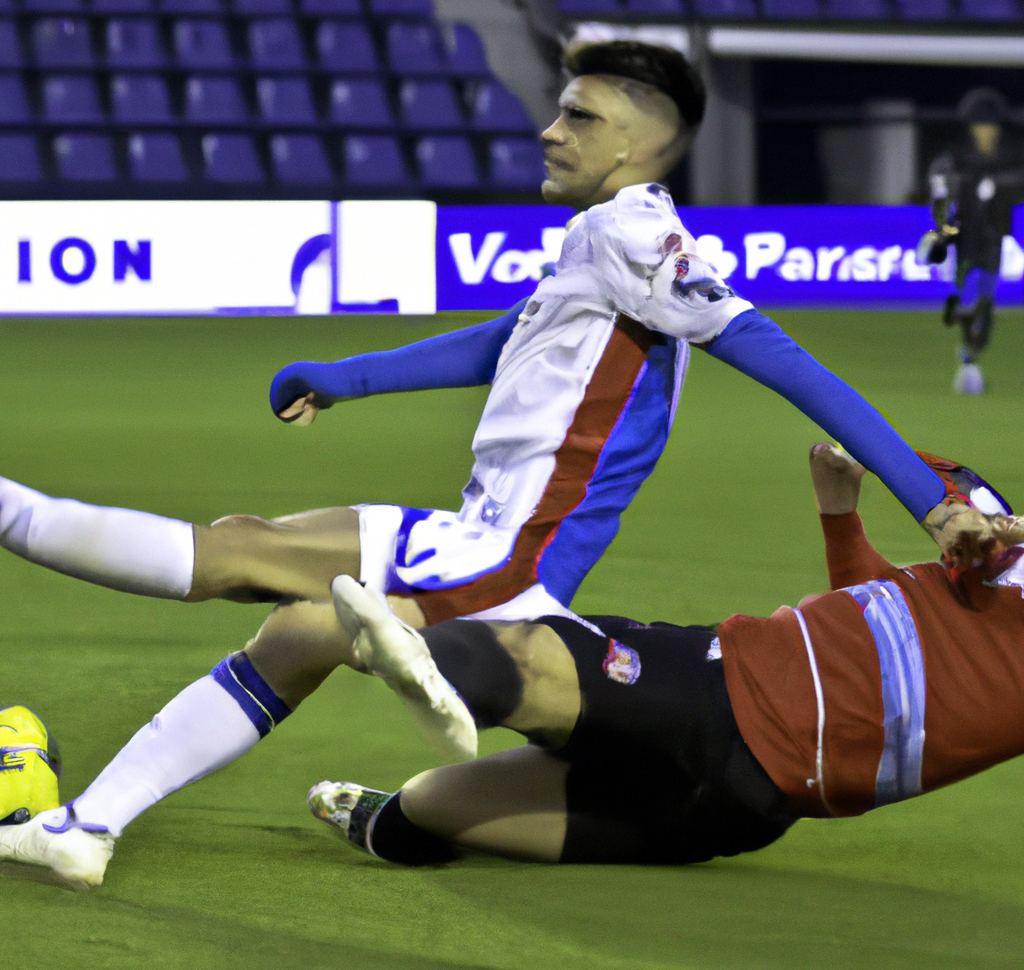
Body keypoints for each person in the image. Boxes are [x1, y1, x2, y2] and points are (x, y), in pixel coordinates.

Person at [1, 42, 951, 638]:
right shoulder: (600, 237)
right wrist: (349, 377)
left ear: (634, 147)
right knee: (270, 588)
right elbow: (506, 342)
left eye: (577, 116)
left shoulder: (635, 236)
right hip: (484, 533)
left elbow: (783, 360)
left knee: (250, 571)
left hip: (507, 562)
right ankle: (95, 823)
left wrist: (932, 501)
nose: (548, 132)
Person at [1, 444, 1016, 885]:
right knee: (472, 739)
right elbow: (880, 607)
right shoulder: (991, 561)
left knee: (476, 736)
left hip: (735, 755)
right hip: (725, 741)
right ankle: (412, 683)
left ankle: (419, 663)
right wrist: (844, 515)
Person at [918, 87, 1024, 394]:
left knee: (986, 298)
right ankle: (966, 344)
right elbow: (941, 191)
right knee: (969, 289)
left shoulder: (1009, 157)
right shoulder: (956, 156)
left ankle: (973, 347)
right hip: (964, 238)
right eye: (980, 127)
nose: (985, 133)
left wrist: (997, 187)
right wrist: (942, 227)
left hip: (993, 236)